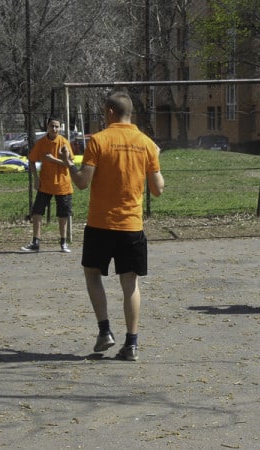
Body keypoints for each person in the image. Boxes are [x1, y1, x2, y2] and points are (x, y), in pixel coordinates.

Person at [60, 92, 164, 361]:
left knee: (92, 274)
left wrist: (70, 164)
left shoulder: (99, 140)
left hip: (101, 223)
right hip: (131, 225)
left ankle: (105, 330)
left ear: (109, 112)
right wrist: (155, 159)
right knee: (130, 283)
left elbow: (82, 183)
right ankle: (132, 344)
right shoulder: (147, 144)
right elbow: (158, 189)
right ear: (130, 113)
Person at [21, 117, 74, 253]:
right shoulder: (41, 143)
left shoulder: (64, 143)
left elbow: (69, 164)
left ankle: (63, 242)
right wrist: (36, 178)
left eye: (57, 126)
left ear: (60, 128)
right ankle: (35, 242)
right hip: (45, 184)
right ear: (47, 127)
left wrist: (53, 159)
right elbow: (31, 160)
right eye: (52, 126)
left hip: (63, 184)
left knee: (63, 214)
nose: (54, 129)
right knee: (37, 212)